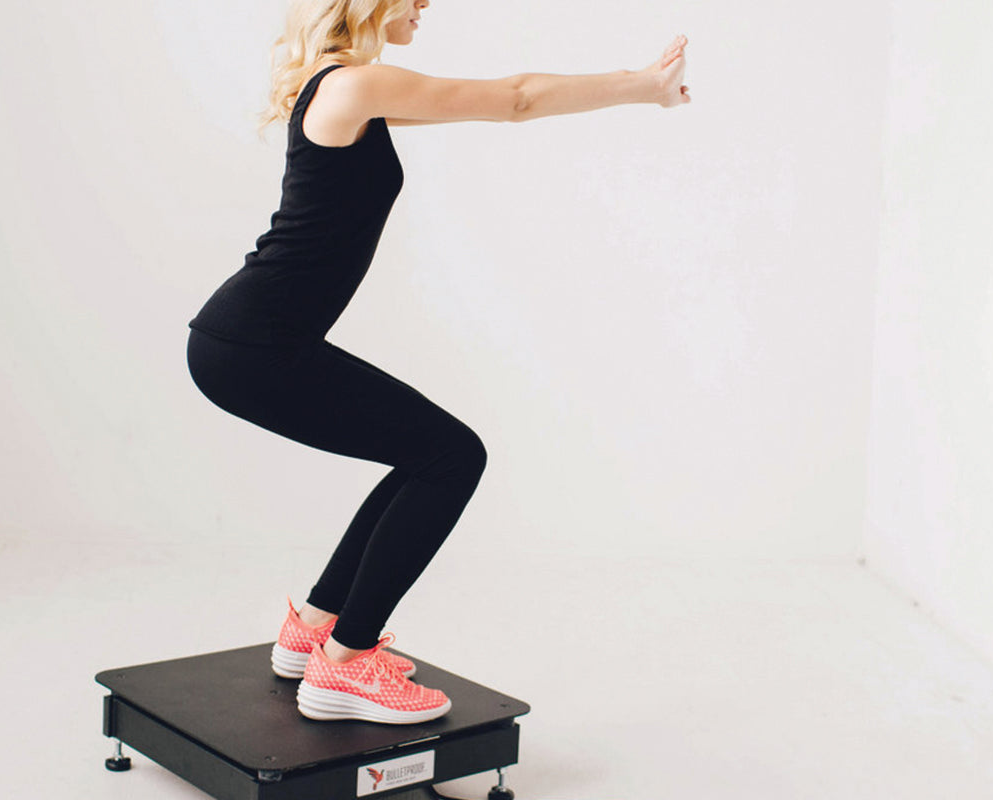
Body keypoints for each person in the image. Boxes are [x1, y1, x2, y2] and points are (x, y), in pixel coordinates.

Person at [186, 0, 691, 725]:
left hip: (253, 342)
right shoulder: (354, 86)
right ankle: (347, 665)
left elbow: (507, 104)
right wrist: (642, 85)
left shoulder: (346, 86)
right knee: (452, 456)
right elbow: (514, 98)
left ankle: (318, 631)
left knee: (425, 455)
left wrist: (639, 86)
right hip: (254, 347)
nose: (427, 4)